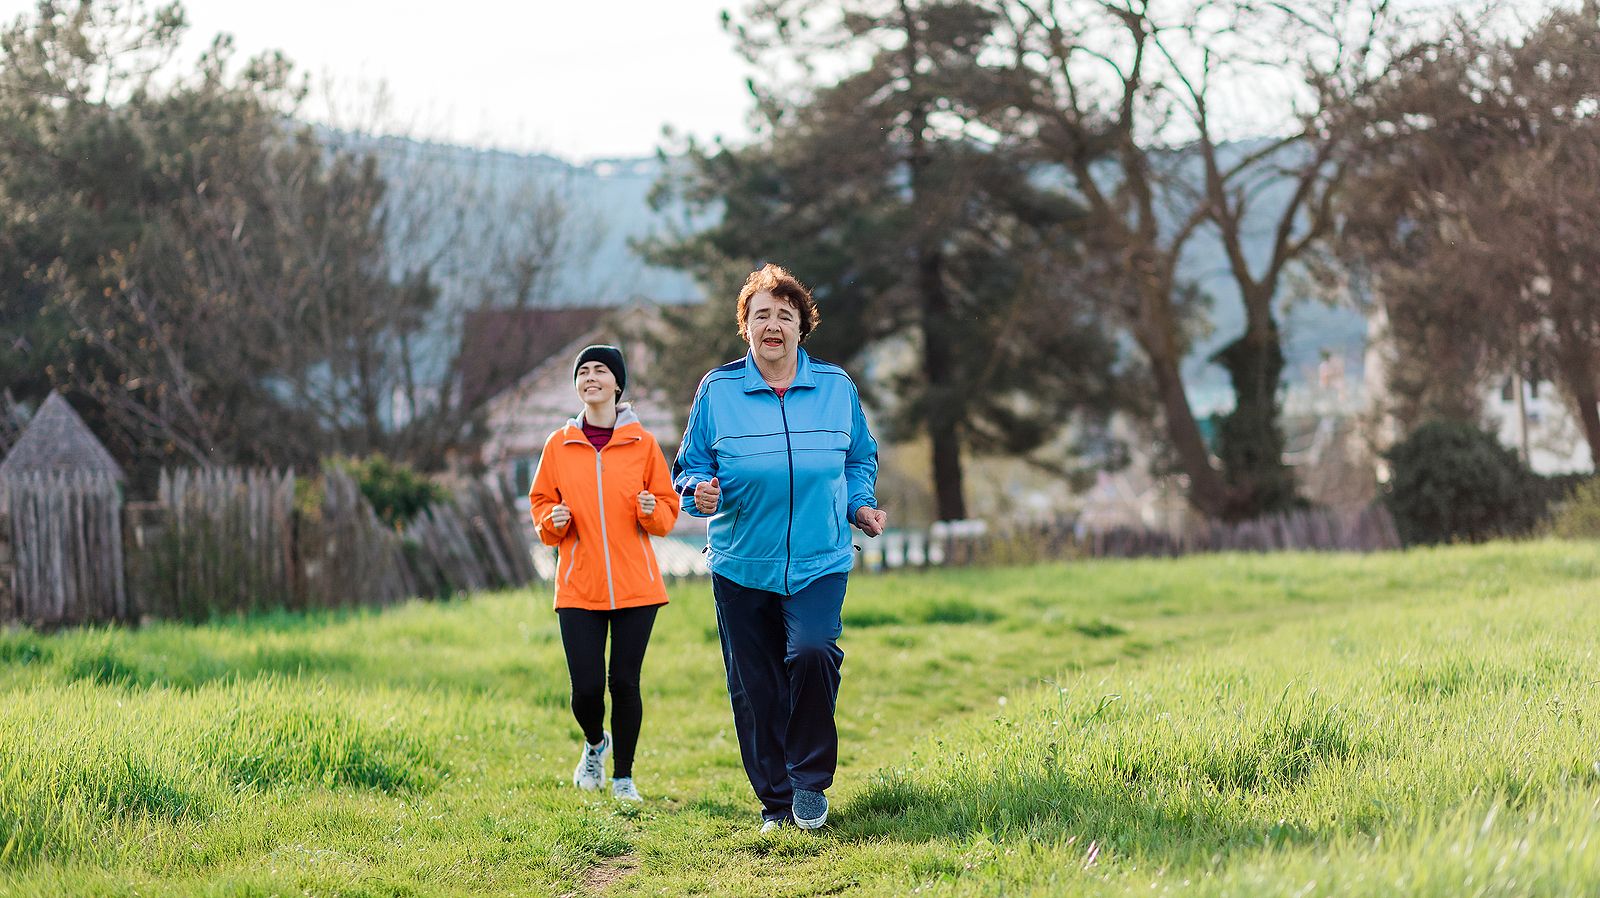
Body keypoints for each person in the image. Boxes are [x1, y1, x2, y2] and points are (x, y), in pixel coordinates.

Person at [673, 264, 887, 832]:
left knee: (813, 652)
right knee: (757, 687)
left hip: (821, 558)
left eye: (785, 316)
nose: (773, 326)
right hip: (741, 563)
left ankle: (809, 782)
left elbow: (858, 459)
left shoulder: (835, 388)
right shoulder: (718, 391)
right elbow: (688, 469)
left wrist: (859, 506)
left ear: (801, 327)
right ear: (745, 327)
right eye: (761, 315)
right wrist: (699, 491)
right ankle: (776, 803)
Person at [529, 344, 680, 802]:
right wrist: (552, 521)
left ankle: (623, 778)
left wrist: (651, 511)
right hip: (579, 587)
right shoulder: (558, 445)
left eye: (600, 370)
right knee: (587, 689)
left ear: (617, 384)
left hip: (637, 587)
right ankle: (595, 744)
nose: (591, 377)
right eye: (584, 372)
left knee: (625, 684)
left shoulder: (643, 444)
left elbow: (667, 513)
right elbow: (541, 507)